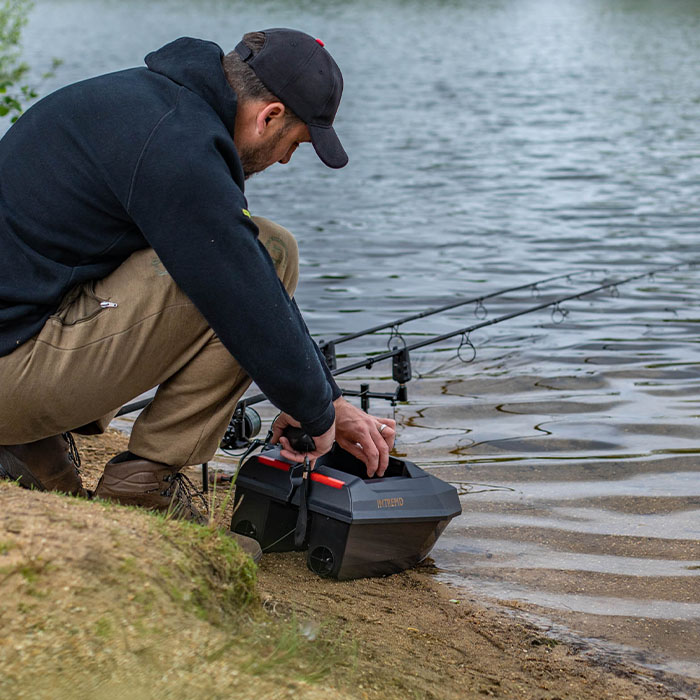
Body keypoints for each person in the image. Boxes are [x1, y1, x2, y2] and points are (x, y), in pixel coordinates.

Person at [0, 29, 396, 541]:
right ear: (269, 115)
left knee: (247, 255)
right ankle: (145, 481)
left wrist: (324, 399)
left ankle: (29, 445)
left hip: (17, 340)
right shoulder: (177, 146)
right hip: (12, 370)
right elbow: (246, 290)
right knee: (270, 252)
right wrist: (317, 416)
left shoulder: (146, 106)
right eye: (294, 143)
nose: (285, 161)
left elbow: (241, 267)